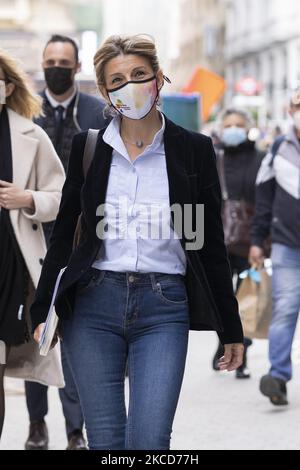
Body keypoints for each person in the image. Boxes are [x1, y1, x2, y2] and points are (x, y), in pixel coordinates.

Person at [30, 34, 244, 451]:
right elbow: (64, 235)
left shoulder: (193, 151)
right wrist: (43, 307)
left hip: (163, 307)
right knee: (106, 442)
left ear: (159, 79)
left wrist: (230, 328)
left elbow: (208, 245)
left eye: (139, 75)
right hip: (92, 305)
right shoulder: (90, 148)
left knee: (150, 440)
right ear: (106, 92)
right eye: (117, 80)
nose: (129, 85)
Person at [25, 34, 108, 451]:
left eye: (64, 61)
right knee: (36, 334)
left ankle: (75, 429)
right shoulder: (27, 111)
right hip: (33, 237)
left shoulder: (96, 112)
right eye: (50, 60)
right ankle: (37, 424)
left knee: (72, 335)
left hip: (79, 240)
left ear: (77, 68)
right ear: (42, 66)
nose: (56, 67)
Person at [0, 49, 65, 440]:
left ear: (7, 88)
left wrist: (28, 199)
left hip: (11, 269)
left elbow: (60, 196)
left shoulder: (31, 135)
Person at [250, 88, 300, 406]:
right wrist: (257, 241)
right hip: (286, 245)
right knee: (284, 309)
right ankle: (278, 377)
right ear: (290, 108)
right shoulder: (279, 148)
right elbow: (264, 197)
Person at [212, 109, 265, 379]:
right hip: (217, 241)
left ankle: (240, 358)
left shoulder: (259, 158)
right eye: (228, 124)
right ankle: (225, 343)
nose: (233, 128)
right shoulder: (213, 156)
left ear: (248, 128)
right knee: (223, 298)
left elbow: (266, 201)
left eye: (238, 125)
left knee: (247, 300)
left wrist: (264, 240)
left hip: (250, 241)